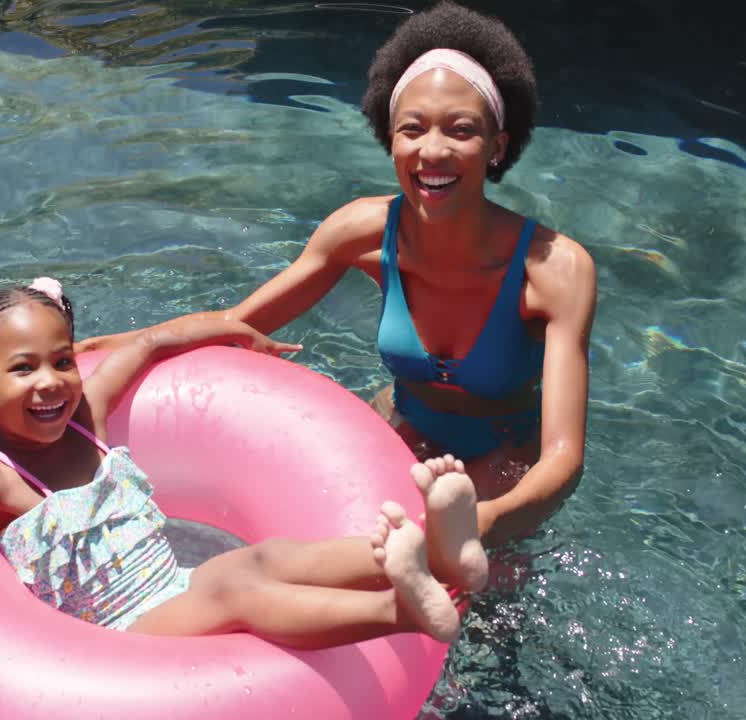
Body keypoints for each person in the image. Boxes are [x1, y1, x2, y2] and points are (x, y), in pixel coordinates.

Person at [77, 2, 596, 585]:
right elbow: (237, 326)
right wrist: (116, 347)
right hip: (398, 430)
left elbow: (563, 459)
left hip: (502, 473)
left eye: (461, 130)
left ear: (497, 145)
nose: (432, 152)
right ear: (389, 137)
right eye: (412, 128)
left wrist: (480, 520)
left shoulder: (554, 269)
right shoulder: (362, 233)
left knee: (465, 623)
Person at [0, 277, 490, 720]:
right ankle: (400, 610)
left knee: (264, 559)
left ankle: (437, 555)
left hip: (178, 588)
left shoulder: (91, 422)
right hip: (125, 640)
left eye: (62, 359)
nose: (50, 382)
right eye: (23, 368)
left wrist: (234, 329)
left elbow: (153, 343)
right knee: (234, 582)